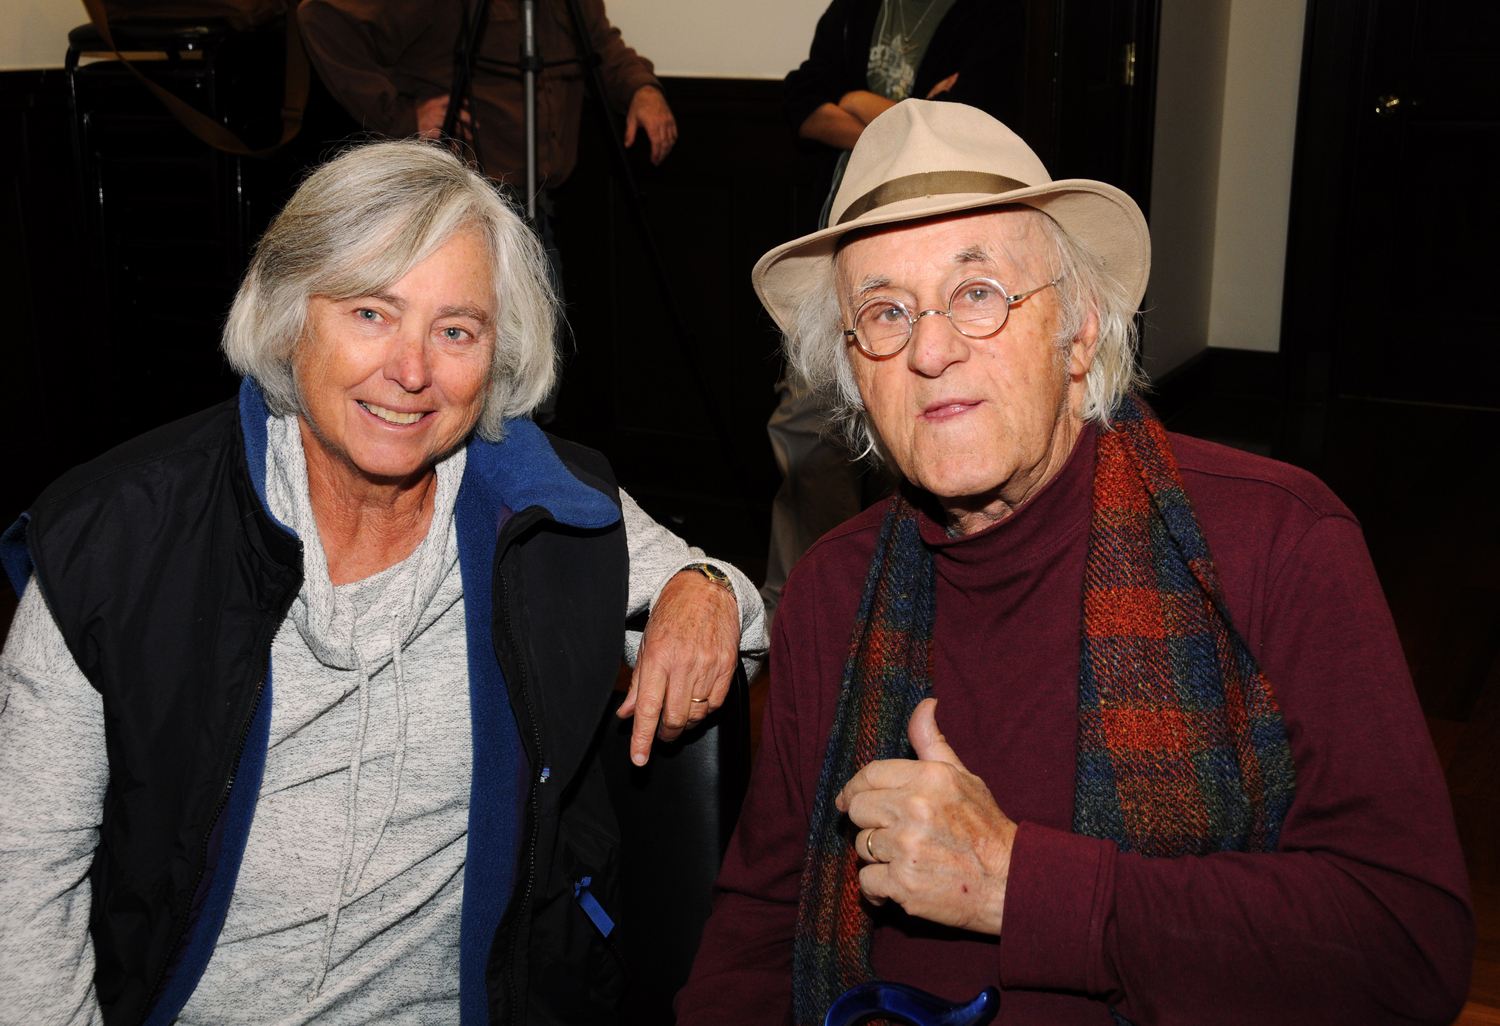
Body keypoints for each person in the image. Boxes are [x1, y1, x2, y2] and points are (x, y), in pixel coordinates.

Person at [676, 100, 1474, 1025]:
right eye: (884, 312)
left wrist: (1022, 886)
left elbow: (1408, 947)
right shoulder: (833, 589)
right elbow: (760, 932)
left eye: (979, 293)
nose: (931, 351)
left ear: (1081, 330)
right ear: (856, 369)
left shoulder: (1277, 543)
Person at [0, 140, 764, 1026]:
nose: (411, 372)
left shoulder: (539, 505)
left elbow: (741, 619)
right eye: (371, 313)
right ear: (290, 318)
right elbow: (21, 872)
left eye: (456, 330)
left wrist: (703, 587)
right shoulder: (117, 539)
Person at [762, 0, 1026, 625]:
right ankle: (796, 612)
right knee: (806, 427)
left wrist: (856, 102)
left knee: (923, 437)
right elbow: (802, 100)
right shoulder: (853, 10)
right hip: (849, 265)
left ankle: (900, 611)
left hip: (949, 257)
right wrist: (900, 127)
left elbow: (970, 127)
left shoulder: (989, 18)